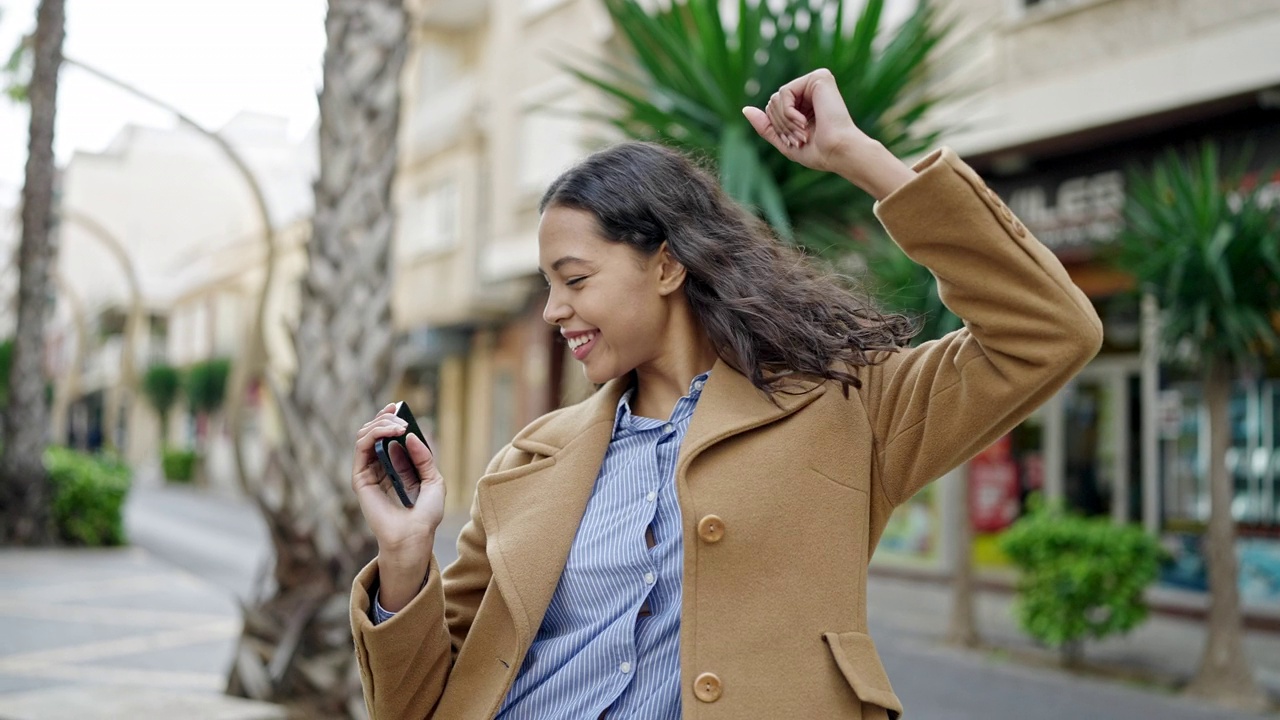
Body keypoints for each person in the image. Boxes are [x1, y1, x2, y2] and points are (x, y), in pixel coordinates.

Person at [348, 68, 1103, 719]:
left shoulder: (846, 407)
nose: (553, 311)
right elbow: (417, 704)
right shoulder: (531, 460)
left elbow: (1048, 330)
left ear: (668, 267)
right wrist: (407, 554)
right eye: (549, 286)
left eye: (575, 280)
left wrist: (861, 159)